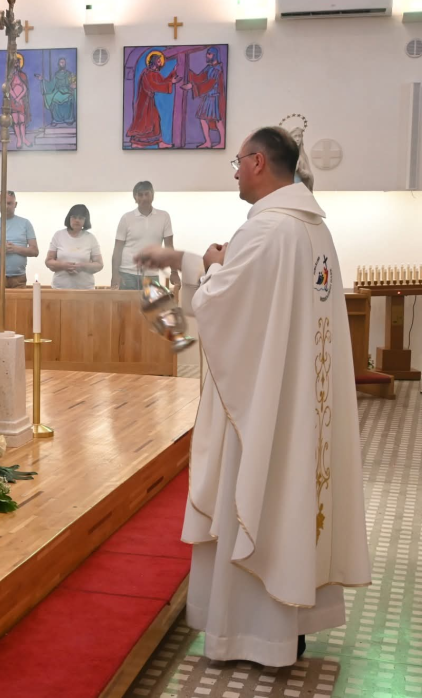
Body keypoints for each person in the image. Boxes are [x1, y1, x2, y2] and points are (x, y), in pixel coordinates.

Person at [137, 126, 371, 667]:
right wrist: (196, 259)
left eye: (239, 161)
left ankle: (254, 634)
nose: (237, 172)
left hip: (264, 404)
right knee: (294, 498)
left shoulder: (267, 230)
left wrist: (204, 265)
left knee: (262, 496)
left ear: (259, 162)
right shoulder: (312, 229)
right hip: (298, 401)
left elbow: (219, 302)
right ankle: (291, 627)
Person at [112, 181, 178, 290]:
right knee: (127, 302)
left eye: (147, 194)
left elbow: (169, 247)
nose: (144, 198)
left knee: (152, 302)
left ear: (152, 195)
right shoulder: (126, 218)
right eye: (140, 195)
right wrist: (114, 275)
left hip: (151, 273)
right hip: (127, 273)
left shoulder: (164, 216)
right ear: (135, 197)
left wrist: (174, 272)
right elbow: (117, 249)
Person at [0, 191, 38, 288]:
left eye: (9, 203)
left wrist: (15, 249)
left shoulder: (25, 224)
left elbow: (35, 251)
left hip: (19, 278)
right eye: (3, 203)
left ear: (15, 204)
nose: (6, 206)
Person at [126, 51, 181, 149]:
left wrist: (173, 73)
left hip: (150, 101)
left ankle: (159, 142)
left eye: (160, 61)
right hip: (144, 102)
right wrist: (170, 83)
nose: (161, 63)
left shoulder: (155, 73)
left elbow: (163, 81)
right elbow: (152, 86)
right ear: (154, 61)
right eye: (159, 61)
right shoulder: (146, 73)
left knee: (155, 120)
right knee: (144, 122)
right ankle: (137, 142)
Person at [46, 204, 102, 289]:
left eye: (81, 218)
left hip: (85, 289)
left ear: (85, 220)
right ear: (69, 218)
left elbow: (99, 264)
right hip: (60, 288)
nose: (77, 220)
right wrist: (63, 265)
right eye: (74, 217)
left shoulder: (90, 238)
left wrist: (82, 266)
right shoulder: (58, 235)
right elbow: (48, 261)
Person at [181, 47, 225, 149]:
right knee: (202, 118)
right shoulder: (208, 68)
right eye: (207, 53)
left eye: (209, 54)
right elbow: (199, 78)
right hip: (207, 97)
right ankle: (208, 142)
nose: (207, 55)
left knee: (217, 120)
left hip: (214, 98)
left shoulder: (217, 69)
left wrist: (192, 86)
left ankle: (222, 142)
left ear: (214, 55)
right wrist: (186, 70)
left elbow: (209, 83)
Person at [35, 56, 77, 126]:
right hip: (58, 91)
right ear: (58, 64)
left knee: (69, 98)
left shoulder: (69, 74)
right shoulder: (56, 74)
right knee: (53, 99)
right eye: (61, 62)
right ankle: (56, 120)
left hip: (67, 91)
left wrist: (74, 85)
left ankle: (69, 119)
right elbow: (51, 85)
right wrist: (42, 79)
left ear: (65, 64)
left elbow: (74, 82)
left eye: (63, 62)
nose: (62, 64)